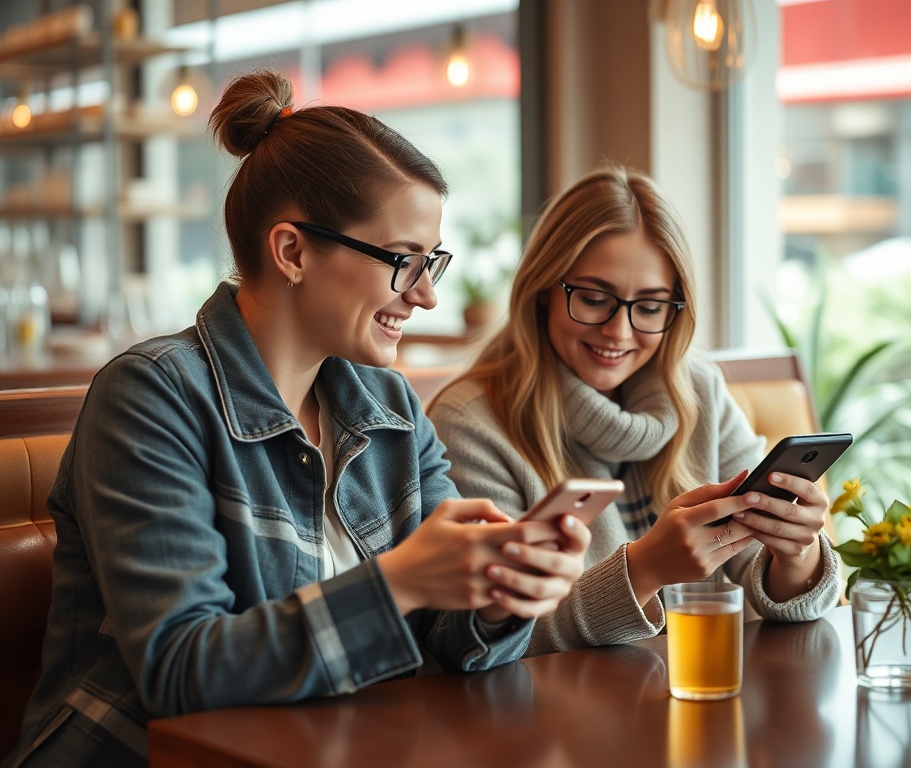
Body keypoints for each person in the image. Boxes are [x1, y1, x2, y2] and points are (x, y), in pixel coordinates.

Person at [3, 70, 590, 768]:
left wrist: (502, 594)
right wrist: (401, 579)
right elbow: (179, 672)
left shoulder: (391, 409)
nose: (428, 295)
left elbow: (451, 637)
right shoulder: (151, 399)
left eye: (431, 261)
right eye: (404, 262)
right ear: (292, 251)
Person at [427, 166, 840, 656]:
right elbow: (483, 640)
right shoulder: (472, 422)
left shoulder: (698, 392)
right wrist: (643, 571)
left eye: (649, 307)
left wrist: (796, 553)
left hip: (694, 707)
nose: (618, 332)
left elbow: (777, 587)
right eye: (595, 298)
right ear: (542, 291)